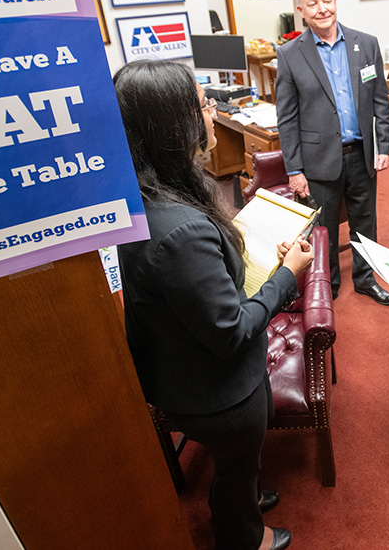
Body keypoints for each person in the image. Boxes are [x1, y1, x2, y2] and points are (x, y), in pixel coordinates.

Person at [114, 60, 313, 550]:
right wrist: (288, 276)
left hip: (183, 370)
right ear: (173, 125)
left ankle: (243, 495)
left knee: (239, 469)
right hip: (217, 393)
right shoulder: (180, 230)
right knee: (236, 465)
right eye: (203, 104)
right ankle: (244, 536)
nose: (212, 112)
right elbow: (231, 331)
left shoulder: (146, 193)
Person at [275, 0, 389, 306]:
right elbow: (287, 118)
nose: (322, 9)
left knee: (365, 221)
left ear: (335, 2)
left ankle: (365, 278)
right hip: (318, 160)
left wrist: (383, 144)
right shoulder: (289, 55)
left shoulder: (366, 44)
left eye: (326, 0)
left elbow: (379, 99)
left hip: (362, 153)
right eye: (312, 4)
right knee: (324, 230)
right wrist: (294, 169)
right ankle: (326, 286)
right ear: (301, 10)